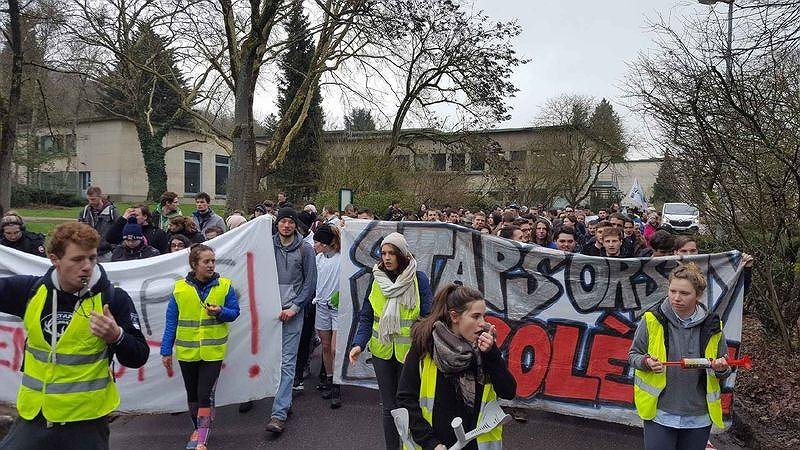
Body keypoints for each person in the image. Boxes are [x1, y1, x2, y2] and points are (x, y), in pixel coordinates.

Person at [0, 222, 148, 449]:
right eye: (78, 259)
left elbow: (139, 356)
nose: (87, 266)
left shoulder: (113, 299)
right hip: (35, 417)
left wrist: (116, 336)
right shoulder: (31, 291)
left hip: (86, 423)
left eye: (92, 258)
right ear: (54, 259)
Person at [397, 284, 517, 450]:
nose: (483, 323)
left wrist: (492, 354)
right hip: (436, 445)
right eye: (476, 316)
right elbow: (405, 399)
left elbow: (508, 392)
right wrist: (430, 443)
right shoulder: (424, 347)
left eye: (484, 316)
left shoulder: (483, 350)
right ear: (455, 316)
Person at [628, 263, 731, 450]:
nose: (676, 298)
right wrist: (645, 362)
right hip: (659, 413)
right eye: (672, 290)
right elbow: (633, 355)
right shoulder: (652, 319)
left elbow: (725, 366)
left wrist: (722, 369)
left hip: (699, 416)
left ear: (698, 295)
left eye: (684, 293)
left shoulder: (713, 325)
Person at [349, 232, 433, 450]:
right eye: (383, 253)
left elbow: (427, 318)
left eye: (392, 253)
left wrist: (416, 348)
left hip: (409, 355)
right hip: (382, 353)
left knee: (409, 406)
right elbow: (367, 316)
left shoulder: (418, 279)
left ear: (402, 255)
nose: (386, 258)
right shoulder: (376, 279)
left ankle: (412, 446)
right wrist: (358, 343)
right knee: (388, 407)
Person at [161, 244, 240, 450]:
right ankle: (198, 428)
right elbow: (171, 322)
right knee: (192, 395)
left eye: (213, 261)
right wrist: (165, 350)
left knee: (204, 393)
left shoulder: (225, 285)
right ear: (194, 264)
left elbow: (234, 312)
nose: (211, 265)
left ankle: (201, 439)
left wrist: (220, 311)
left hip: (213, 353)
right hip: (187, 353)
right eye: (206, 261)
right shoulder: (180, 289)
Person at [264, 208, 317, 434]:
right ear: (277, 224)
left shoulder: (306, 250)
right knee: (268, 359)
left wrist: (295, 308)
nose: (286, 226)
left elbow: (310, 283)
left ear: (296, 225)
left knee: (287, 361)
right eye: (282, 221)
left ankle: (279, 413)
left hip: (293, 314)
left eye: (290, 222)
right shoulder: (266, 246)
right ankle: (281, 400)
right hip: (269, 313)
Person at [312, 225, 342, 408]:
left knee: (335, 348)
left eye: (316, 242)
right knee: (325, 346)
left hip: (337, 309)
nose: (314, 245)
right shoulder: (319, 259)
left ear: (324, 243)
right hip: (322, 306)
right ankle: (330, 379)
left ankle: (338, 384)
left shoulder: (342, 258)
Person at [78, 186, 117, 255]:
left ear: (100, 197)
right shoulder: (84, 212)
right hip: (88, 251)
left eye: (93, 199)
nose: (90, 202)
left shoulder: (112, 212)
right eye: (89, 199)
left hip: (106, 252)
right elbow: (78, 230)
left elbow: (118, 229)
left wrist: (113, 248)